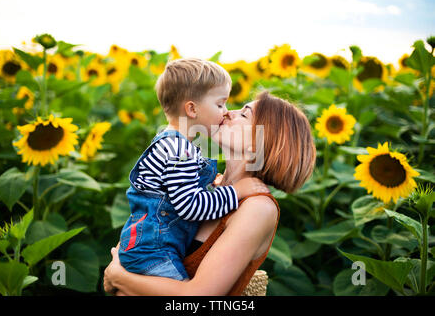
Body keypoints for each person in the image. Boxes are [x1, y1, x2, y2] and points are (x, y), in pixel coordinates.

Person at [104, 91, 317, 295]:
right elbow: (146, 221)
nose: (227, 112)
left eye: (244, 114)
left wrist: (118, 276)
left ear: (261, 141)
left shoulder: (257, 207)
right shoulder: (205, 186)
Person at [118, 58, 269, 281]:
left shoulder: (169, 142)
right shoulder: (181, 152)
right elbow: (190, 206)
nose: (226, 112)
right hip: (155, 253)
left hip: (146, 247)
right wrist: (237, 191)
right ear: (192, 109)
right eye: (220, 104)